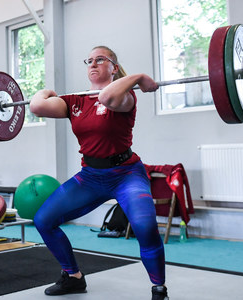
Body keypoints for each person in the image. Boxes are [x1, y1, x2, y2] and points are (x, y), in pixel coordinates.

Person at [29, 46, 168, 300]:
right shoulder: (75, 101)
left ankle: (159, 289)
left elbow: (107, 98)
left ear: (114, 68)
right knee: (43, 220)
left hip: (126, 174)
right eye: (89, 60)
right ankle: (73, 277)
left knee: (145, 228)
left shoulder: (125, 97)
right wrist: (46, 92)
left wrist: (137, 78)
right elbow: (37, 107)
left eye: (100, 60)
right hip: (90, 177)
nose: (93, 64)